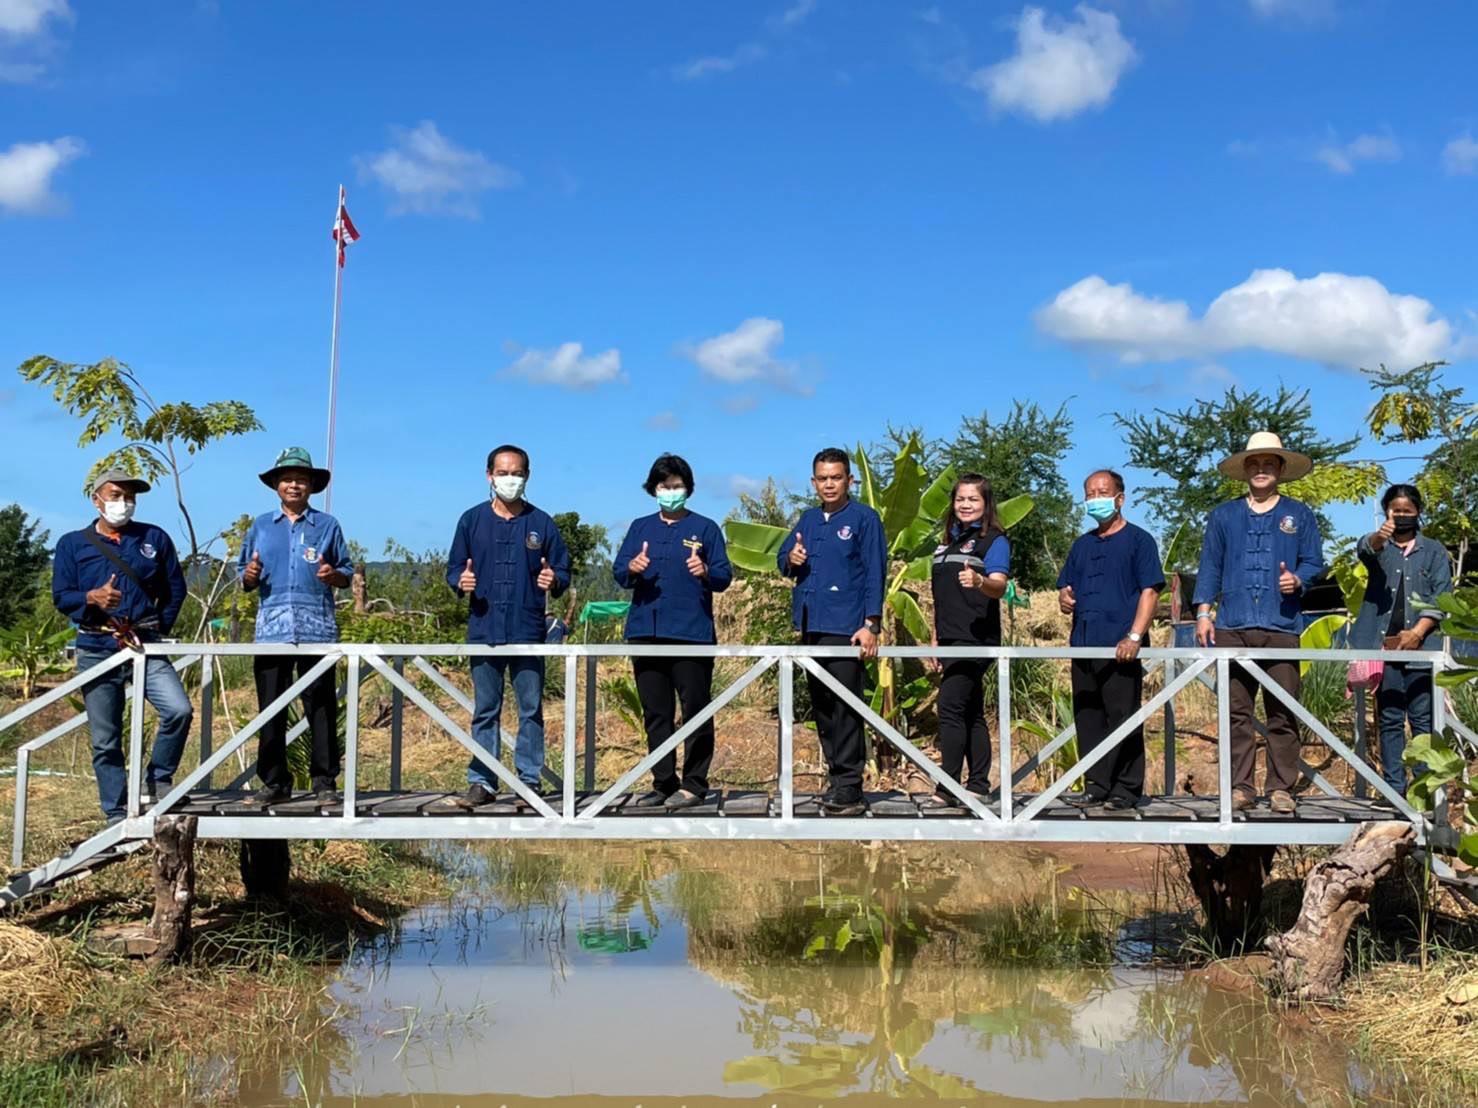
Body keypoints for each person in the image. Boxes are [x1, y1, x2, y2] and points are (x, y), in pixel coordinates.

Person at [1193, 432, 1326, 813]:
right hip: (1232, 623)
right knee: (1237, 712)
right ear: (1245, 470)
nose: (1262, 469)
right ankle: (1241, 787)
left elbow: (1315, 561)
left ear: (1280, 470)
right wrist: (1204, 612)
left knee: (1283, 709)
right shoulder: (1223, 516)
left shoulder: (1299, 515)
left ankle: (1282, 787)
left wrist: (1298, 578)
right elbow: (1210, 567)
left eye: (1269, 463)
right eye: (1255, 463)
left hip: (1281, 623)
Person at [52, 469, 192, 823]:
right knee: (105, 737)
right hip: (96, 644)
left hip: (145, 644)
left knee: (178, 709)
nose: (123, 503)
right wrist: (91, 597)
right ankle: (116, 812)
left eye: (129, 496)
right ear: (96, 499)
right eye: (115, 495)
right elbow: (61, 596)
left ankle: (158, 778)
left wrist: (159, 624)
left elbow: (175, 588)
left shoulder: (153, 538)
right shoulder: (72, 543)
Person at [447, 445, 571, 808]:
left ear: (527, 476)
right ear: (489, 476)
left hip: (528, 631)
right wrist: (461, 581)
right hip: (485, 630)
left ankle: (528, 782)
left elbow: (562, 570)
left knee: (530, 709)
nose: (509, 479)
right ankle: (482, 782)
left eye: (516, 473)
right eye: (502, 473)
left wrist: (554, 579)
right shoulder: (471, 520)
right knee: (486, 709)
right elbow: (454, 567)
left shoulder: (542, 523)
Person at [613, 454, 734, 810]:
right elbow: (619, 573)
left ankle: (695, 784)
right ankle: (663, 782)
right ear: (653, 489)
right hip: (646, 632)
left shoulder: (706, 528)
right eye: (664, 486)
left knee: (695, 709)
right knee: (656, 713)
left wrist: (705, 571)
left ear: (688, 488)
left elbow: (724, 578)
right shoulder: (639, 528)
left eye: (677, 486)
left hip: (691, 634)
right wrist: (633, 567)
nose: (670, 492)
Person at [237, 447, 354, 807]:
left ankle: (324, 782)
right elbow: (242, 576)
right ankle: (273, 782)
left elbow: (347, 572)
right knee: (271, 707)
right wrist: (250, 576)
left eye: (301, 480)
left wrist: (333, 575)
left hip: (317, 629)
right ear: (276, 485)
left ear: (311, 487)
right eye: (288, 479)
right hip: (272, 630)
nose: (294, 485)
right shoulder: (259, 526)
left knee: (320, 706)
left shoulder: (328, 526)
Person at [777, 447, 885, 817]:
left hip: (847, 628)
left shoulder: (864, 519)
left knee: (845, 707)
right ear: (813, 482)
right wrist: (791, 559)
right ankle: (836, 779)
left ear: (849, 479)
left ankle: (851, 786)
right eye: (823, 478)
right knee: (822, 707)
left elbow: (874, 572)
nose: (829, 484)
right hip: (811, 626)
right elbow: (782, 559)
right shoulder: (807, 520)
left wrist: (871, 624)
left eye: (836, 477)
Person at [1056, 470, 1165, 809]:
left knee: (1123, 716)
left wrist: (1135, 635)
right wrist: (1064, 597)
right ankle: (1096, 783)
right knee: (1088, 716)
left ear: (1120, 498)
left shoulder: (1139, 541)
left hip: (1121, 647)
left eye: (1102, 492)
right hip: (1084, 643)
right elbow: (1065, 587)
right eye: (1090, 493)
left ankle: (1126, 788)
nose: (1095, 498)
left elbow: (1150, 592)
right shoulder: (1082, 545)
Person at [1351, 484, 1452, 796]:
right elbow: (1366, 549)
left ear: (1418, 512)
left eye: (1408, 511)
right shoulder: (1380, 548)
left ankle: (1423, 792)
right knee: (1390, 719)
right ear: (1387, 512)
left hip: (1422, 648)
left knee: (1422, 721)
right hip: (1386, 649)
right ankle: (1394, 790)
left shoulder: (1433, 550)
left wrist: (1418, 632)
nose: (1402, 516)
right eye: (1396, 510)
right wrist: (1381, 535)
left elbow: (1442, 596)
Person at [922, 473, 1010, 808]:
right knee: (970, 711)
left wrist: (979, 581)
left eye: (973, 499)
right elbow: (941, 596)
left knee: (949, 705)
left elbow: (999, 586)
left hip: (977, 639)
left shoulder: (994, 541)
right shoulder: (946, 544)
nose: (965, 505)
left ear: (986, 504)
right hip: (949, 637)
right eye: (960, 499)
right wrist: (936, 636)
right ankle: (977, 785)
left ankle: (948, 788)